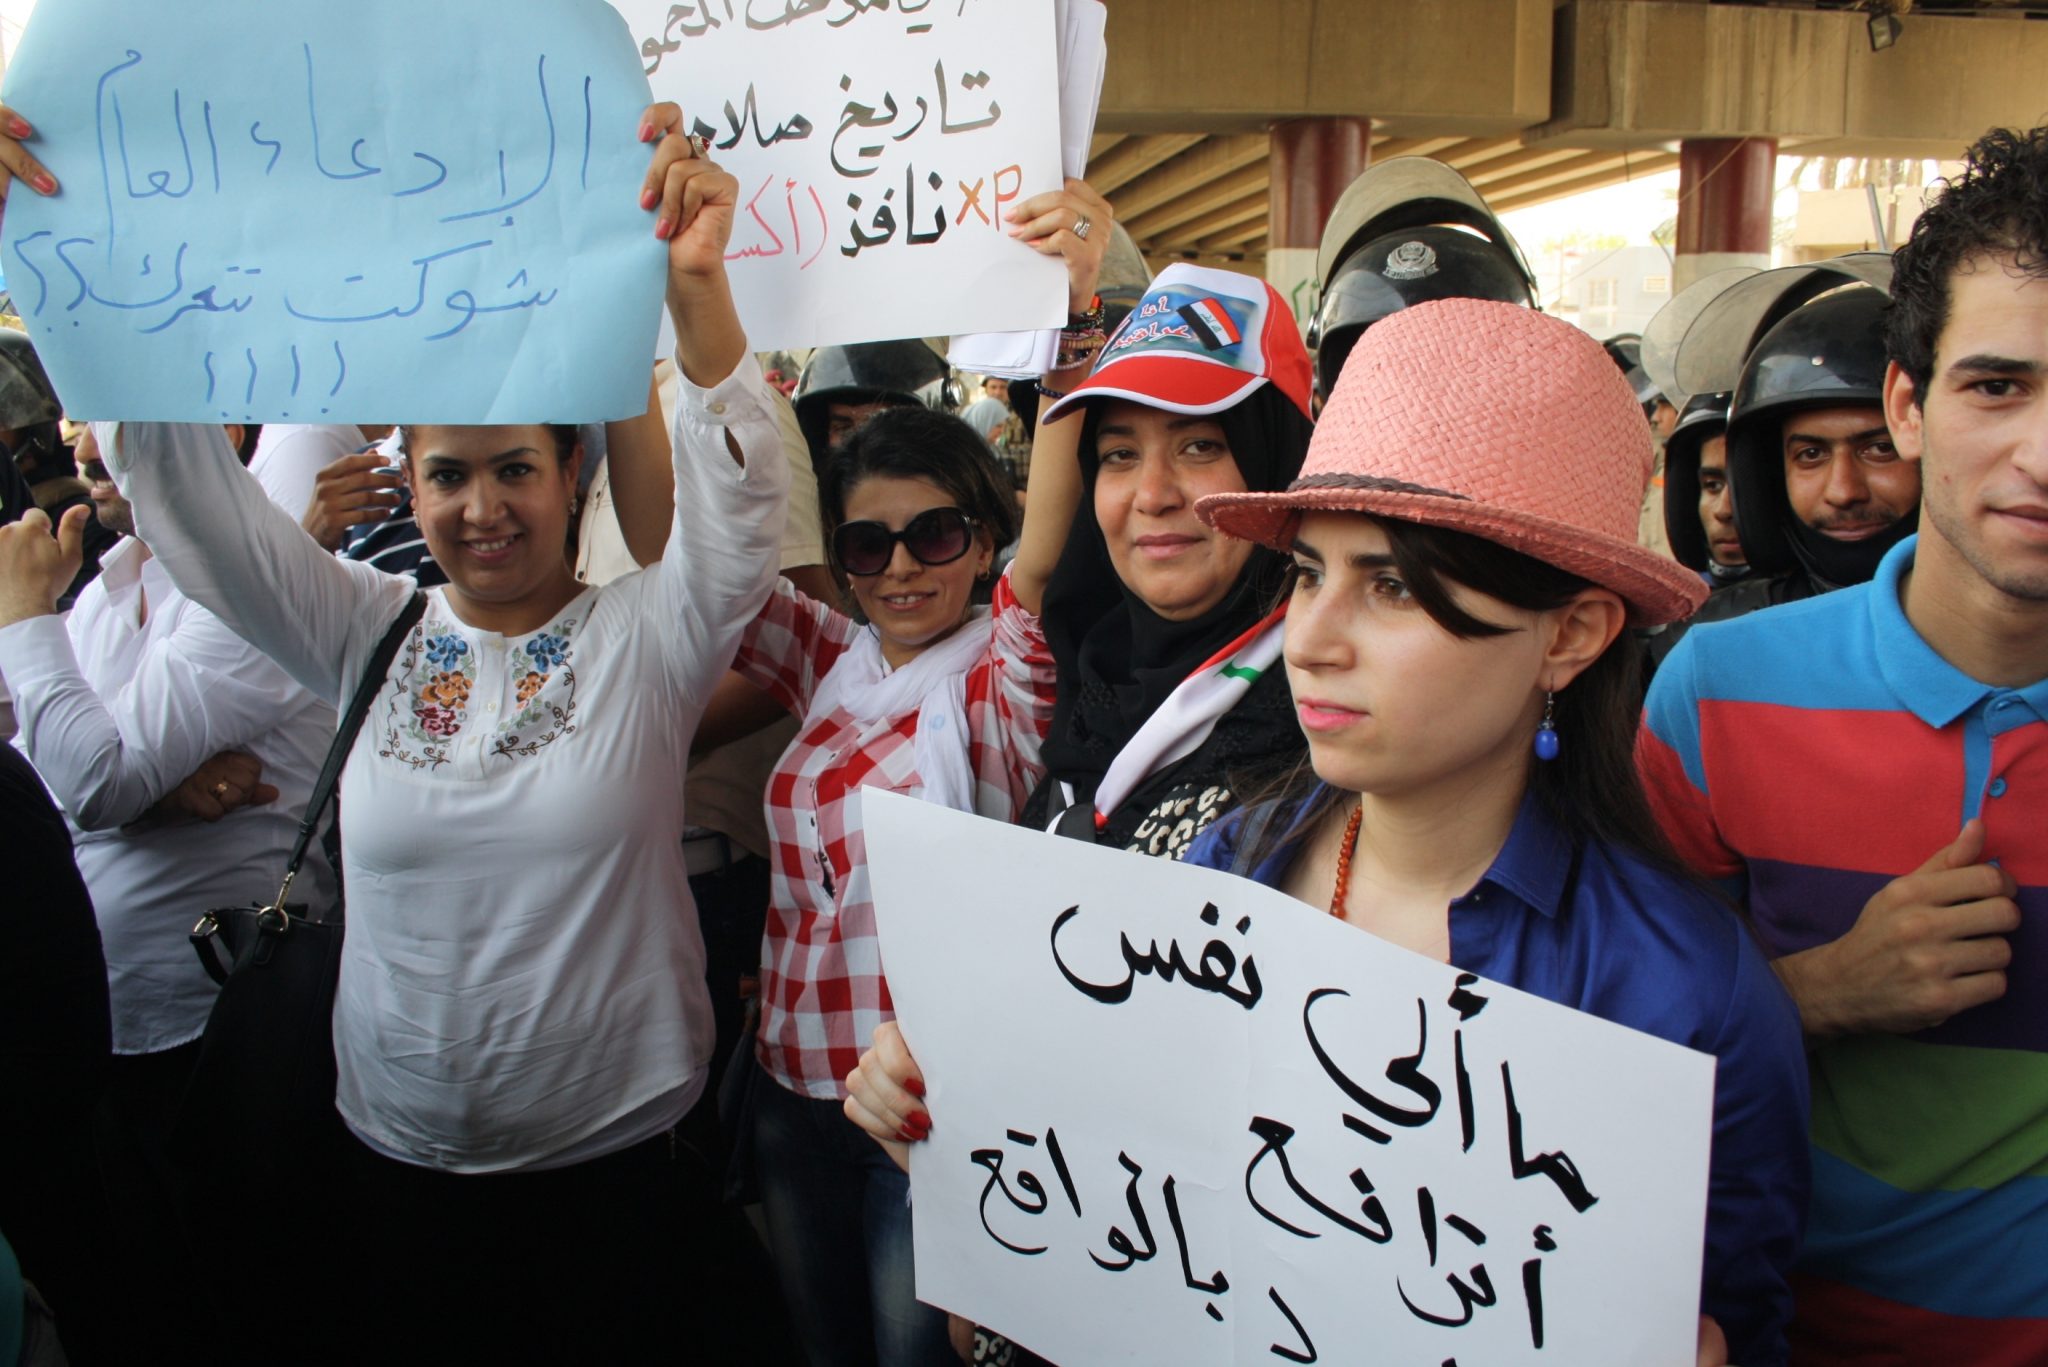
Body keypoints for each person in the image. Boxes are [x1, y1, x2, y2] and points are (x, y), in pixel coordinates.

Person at [849, 298, 1810, 1367]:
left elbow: (1736, 1320)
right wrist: (974, 1159)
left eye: (1390, 584)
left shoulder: (1689, 1001)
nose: (1311, 640)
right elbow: (1104, 1265)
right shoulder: (1221, 871)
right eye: (1308, 573)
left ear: (1571, 634)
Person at [10, 101, 789, 1360]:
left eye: (515, 468)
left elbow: (741, 521)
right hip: (394, 1161)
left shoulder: (651, 633)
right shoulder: (361, 623)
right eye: (447, 474)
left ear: (569, 472)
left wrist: (696, 290)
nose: (482, 508)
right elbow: (201, 513)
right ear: (408, 481)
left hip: (620, 1164)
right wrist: (72, 260)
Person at [1639, 123, 2048, 1362]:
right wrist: (1816, 993)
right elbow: (1603, 1055)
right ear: (1906, 406)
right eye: (1996, 385)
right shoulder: (1712, 692)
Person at [731, 178, 1106, 1367]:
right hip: (791, 1086)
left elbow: (1046, 558)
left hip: (924, 1111)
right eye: (866, 542)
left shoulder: (997, 684)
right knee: (819, 1345)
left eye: (936, 534)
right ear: (838, 560)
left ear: (981, 538)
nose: (901, 567)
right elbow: (705, 559)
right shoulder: (828, 657)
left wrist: (1068, 311)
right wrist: (696, 311)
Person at [0, 421, 339, 1364]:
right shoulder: (106, 595)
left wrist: (21, 619)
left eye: (99, 406)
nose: (69, 432)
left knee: (262, 1305)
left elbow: (92, 777)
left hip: (232, 1031)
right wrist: (151, 802)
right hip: (111, 1036)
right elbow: (36, 787)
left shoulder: (246, 583)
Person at [1018, 261, 1319, 859]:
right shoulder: (1087, 673)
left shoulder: (1329, 709)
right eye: (1120, 453)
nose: (1153, 496)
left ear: (1279, 467)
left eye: (1200, 445)